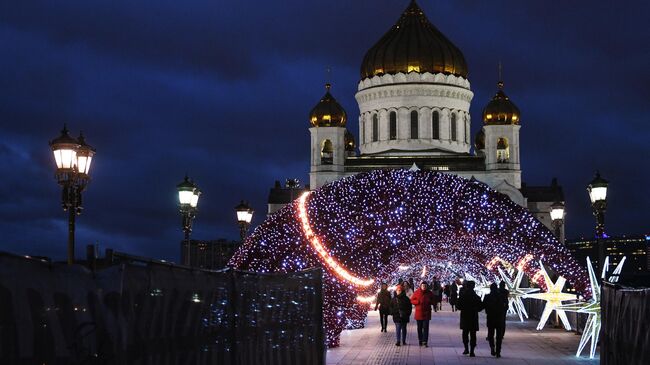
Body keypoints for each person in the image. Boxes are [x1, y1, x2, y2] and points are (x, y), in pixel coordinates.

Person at [456, 280, 483, 357]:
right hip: (473, 317)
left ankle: (466, 348)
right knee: (473, 334)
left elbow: (458, 306)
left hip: (465, 316)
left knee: (465, 333)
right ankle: (472, 351)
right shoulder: (476, 296)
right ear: (473, 287)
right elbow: (481, 307)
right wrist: (475, 309)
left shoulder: (463, 296)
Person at [483, 283, 508, 357]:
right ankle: (498, 351)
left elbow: (483, 305)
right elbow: (506, 306)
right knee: (499, 336)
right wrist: (503, 311)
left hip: (490, 317)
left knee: (491, 334)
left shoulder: (487, 296)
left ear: (490, 289)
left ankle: (492, 347)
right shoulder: (502, 296)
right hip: (499, 317)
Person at [410, 281, 435, 347]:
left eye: (425, 286)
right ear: (420, 286)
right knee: (419, 328)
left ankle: (425, 341)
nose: (424, 287)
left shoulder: (429, 293)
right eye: (423, 286)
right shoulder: (417, 292)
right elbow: (412, 300)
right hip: (419, 313)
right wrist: (417, 302)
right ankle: (420, 340)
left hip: (427, 313)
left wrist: (430, 301)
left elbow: (434, 300)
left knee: (426, 328)